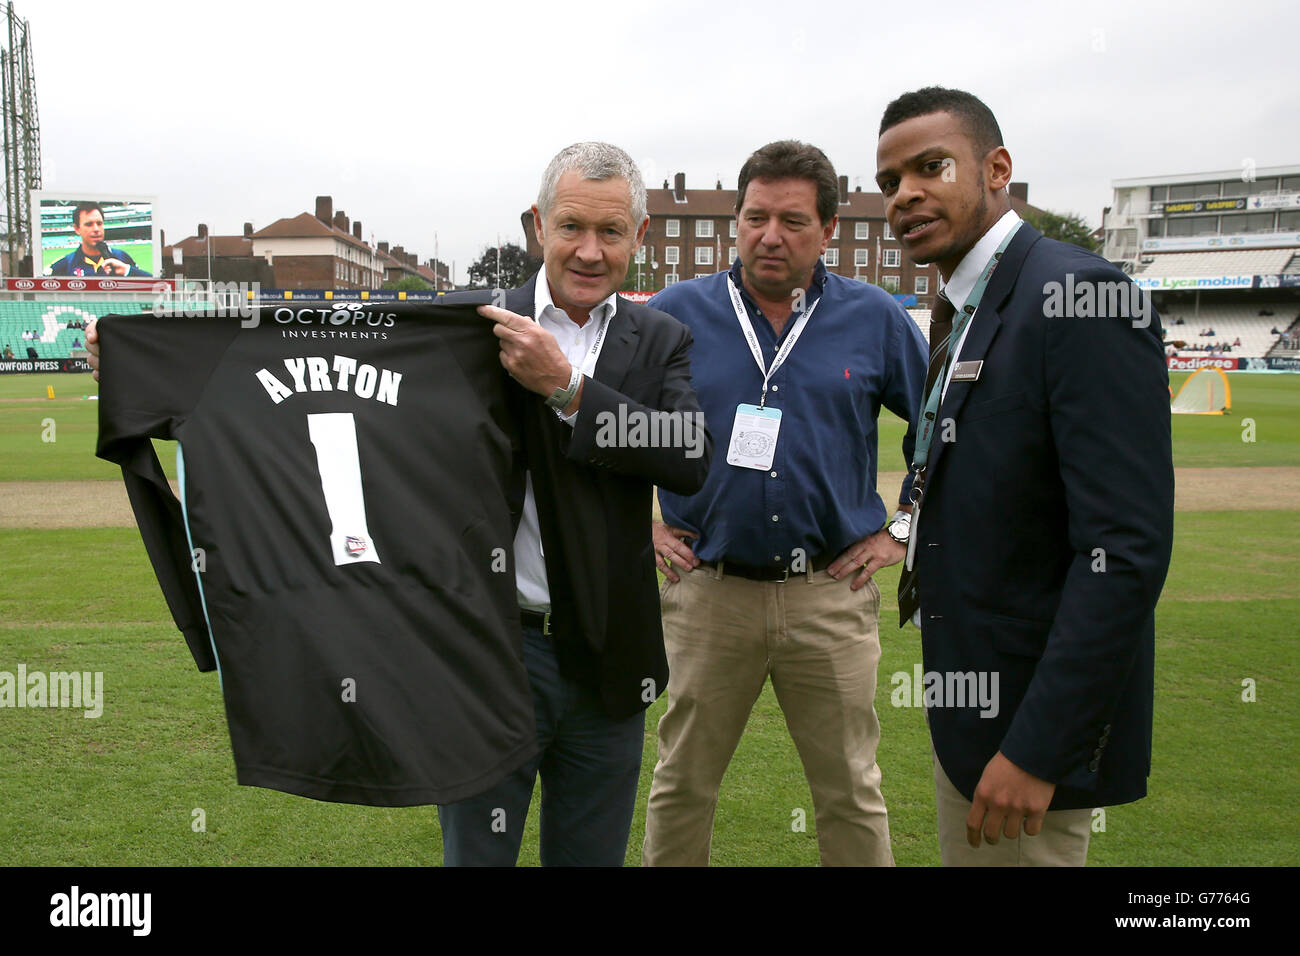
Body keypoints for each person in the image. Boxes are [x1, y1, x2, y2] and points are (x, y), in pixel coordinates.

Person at [86, 142, 711, 868]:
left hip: (611, 661)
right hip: (484, 649)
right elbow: (306, 342)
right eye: (572, 226)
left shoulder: (660, 337)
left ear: (640, 235)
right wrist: (139, 353)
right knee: (476, 858)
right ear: (537, 225)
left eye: (611, 232)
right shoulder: (468, 324)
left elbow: (686, 453)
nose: (590, 250)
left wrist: (566, 387)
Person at [876, 87, 1174, 866]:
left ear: (997, 168)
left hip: (1024, 731)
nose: (905, 194)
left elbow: (1124, 549)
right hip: (969, 706)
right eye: (889, 182)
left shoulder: (1080, 297)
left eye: (930, 167)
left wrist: (1040, 748)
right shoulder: (969, 302)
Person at [641, 140, 928, 866]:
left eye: (794, 221)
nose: (771, 235)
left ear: (829, 230)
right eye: (756, 217)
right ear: (734, 221)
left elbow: (947, 433)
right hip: (708, 592)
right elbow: (605, 426)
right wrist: (637, 523)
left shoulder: (876, 318)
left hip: (829, 596)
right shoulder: (672, 315)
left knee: (850, 789)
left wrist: (903, 527)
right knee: (682, 783)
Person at [44, 202, 151, 277]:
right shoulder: (64, 265)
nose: (96, 229)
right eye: (89, 224)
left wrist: (128, 271)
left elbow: (153, 286)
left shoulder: (122, 258)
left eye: (99, 223)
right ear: (77, 229)